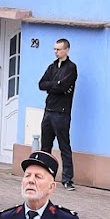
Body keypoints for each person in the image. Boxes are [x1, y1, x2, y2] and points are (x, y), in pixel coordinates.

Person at [38, 38, 78, 191]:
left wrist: (54, 86)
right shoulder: (52, 67)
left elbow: (65, 86)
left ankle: (67, 179)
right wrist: (56, 85)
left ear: (66, 50)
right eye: (54, 49)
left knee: (64, 147)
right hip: (48, 111)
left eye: (59, 49)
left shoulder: (71, 68)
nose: (56, 52)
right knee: (45, 147)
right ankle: (44, 176)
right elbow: (42, 84)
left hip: (61, 113)